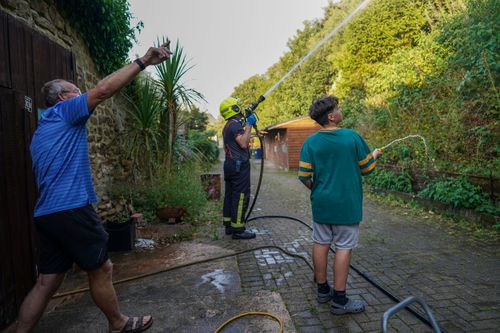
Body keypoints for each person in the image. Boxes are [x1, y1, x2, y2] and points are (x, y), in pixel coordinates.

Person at [16, 43, 172, 333]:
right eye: (76, 90)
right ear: (63, 97)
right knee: (102, 268)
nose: (81, 95)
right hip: (71, 209)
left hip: (47, 214)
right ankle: (118, 323)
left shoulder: (42, 129)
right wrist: (143, 61)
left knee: (47, 282)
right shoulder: (65, 111)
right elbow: (102, 91)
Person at [298, 95, 382, 315]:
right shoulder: (352, 137)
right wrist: (374, 155)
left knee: (320, 242)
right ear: (332, 116)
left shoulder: (310, 142)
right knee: (343, 248)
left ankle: (323, 291)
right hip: (347, 205)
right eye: (338, 108)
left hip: (322, 204)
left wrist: (316, 190)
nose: (341, 110)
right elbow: (367, 169)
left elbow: (304, 176)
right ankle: (340, 300)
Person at [220, 97, 258, 239]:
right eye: (237, 106)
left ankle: (229, 226)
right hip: (239, 166)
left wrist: (245, 121)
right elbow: (243, 143)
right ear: (234, 109)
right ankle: (238, 230)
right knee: (241, 196)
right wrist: (249, 124)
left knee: (230, 195)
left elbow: (229, 143)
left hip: (230, 165)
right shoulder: (235, 126)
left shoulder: (229, 125)